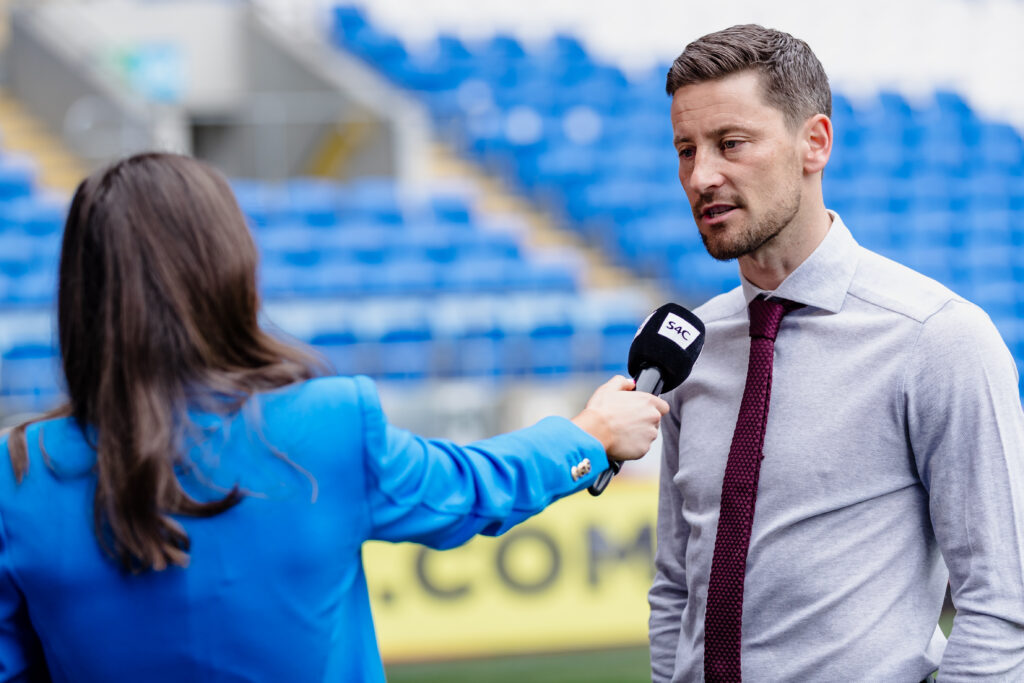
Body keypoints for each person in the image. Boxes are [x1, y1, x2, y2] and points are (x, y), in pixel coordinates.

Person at [0, 152, 669, 682]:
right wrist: (592, 435)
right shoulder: (329, 422)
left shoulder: (17, 473)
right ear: (229, 268)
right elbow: (476, 487)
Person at [648, 24, 1024, 682]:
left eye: (730, 143)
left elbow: (1001, 603)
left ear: (814, 143)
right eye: (686, 149)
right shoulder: (691, 348)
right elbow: (676, 588)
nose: (701, 175)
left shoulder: (937, 338)